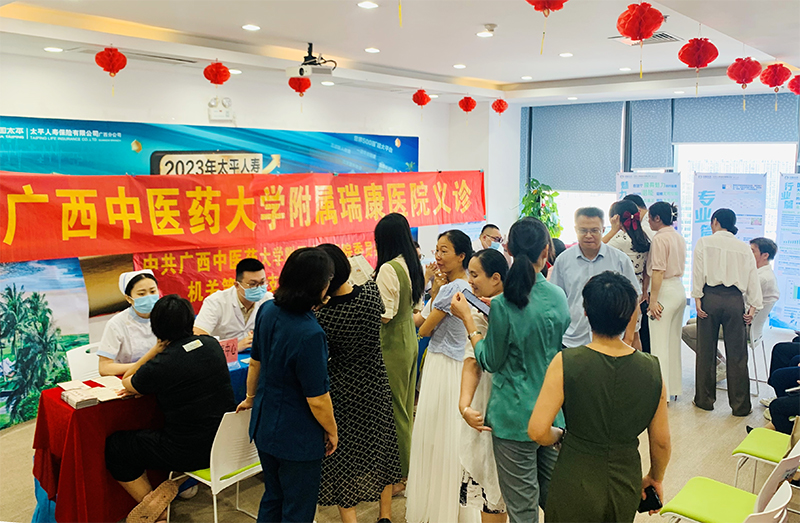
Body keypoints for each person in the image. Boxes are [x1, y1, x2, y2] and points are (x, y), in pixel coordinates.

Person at [451, 217, 571, 523]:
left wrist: (470, 324)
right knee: (557, 501)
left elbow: (489, 360)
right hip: (551, 414)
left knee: (522, 510)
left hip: (513, 417)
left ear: (508, 251)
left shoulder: (504, 305)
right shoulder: (558, 297)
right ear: (546, 251)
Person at [528, 271, 670, 522]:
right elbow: (661, 442)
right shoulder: (652, 369)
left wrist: (560, 436)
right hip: (625, 478)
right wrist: (655, 477)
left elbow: (538, 431)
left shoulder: (567, 362)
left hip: (575, 474)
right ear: (631, 315)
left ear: (585, 312)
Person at [105, 295, 235, 523]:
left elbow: (127, 380)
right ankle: (169, 494)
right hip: (226, 445)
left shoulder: (162, 364)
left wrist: (155, 349)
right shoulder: (211, 345)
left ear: (156, 328)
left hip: (187, 451)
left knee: (117, 446)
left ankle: (155, 509)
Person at [236, 248, 338, 523]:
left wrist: (250, 397)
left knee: (273, 496)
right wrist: (332, 430)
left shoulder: (268, 309)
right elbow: (317, 398)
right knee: (297, 510)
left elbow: (255, 362)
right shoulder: (310, 333)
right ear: (318, 285)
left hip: (265, 424)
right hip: (297, 436)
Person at [314, 244, 402, 523]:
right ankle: (385, 516)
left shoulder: (322, 316)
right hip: (376, 382)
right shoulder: (371, 294)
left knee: (343, 458)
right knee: (382, 450)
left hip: (342, 390)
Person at [405, 230, 474, 523]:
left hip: (442, 365)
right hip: (459, 365)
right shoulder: (468, 284)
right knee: (453, 436)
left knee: (436, 435)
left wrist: (433, 294)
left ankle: (437, 506)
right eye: (437, 250)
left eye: (445, 251)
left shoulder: (450, 289)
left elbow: (423, 329)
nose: (438, 257)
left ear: (461, 255)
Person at [692, 208, 762, 416]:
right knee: (738, 354)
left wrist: (697, 298)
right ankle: (741, 406)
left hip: (710, 298)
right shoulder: (744, 248)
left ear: (715, 221)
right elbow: (752, 278)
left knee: (705, 351)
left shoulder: (704, 242)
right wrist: (753, 307)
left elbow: (698, 272)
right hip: (734, 301)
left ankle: (704, 400)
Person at [373, 213, 425, 487]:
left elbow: (384, 315)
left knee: (395, 410)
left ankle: (400, 474)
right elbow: (417, 308)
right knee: (405, 406)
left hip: (392, 341)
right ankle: (407, 468)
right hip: (409, 337)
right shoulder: (413, 263)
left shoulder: (388, 269)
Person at [683, 236, 780, 382]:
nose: (748, 253)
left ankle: (719, 364)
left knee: (686, 331)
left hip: (742, 326)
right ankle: (721, 361)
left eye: (752, 251)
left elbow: (738, 304)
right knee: (692, 322)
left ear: (765, 255)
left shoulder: (761, 278)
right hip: (750, 325)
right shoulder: (764, 274)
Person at [457, 249, 508, 522]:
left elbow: (483, 360)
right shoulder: (478, 311)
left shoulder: (508, 310)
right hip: (486, 404)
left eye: (475, 275)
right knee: (491, 489)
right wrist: (464, 406)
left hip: (505, 404)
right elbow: (471, 362)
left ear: (496, 278)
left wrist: (468, 319)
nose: (471, 281)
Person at [550, 207, 641, 348]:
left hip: (612, 340)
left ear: (603, 230)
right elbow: (557, 301)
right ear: (575, 230)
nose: (588, 235)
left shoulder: (620, 260)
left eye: (594, 230)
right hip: (572, 340)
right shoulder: (563, 260)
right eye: (583, 230)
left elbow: (634, 299)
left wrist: (628, 339)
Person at [646, 202, 686, 399]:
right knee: (673, 342)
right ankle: (673, 389)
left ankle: (660, 393)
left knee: (659, 344)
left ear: (657, 218)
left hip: (664, 291)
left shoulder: (659, 238)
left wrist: (653, 301)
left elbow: (658, 271)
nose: (648, 221)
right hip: (678, 289)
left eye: (649, 217)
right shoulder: (678, 236)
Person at [193, 258, 272, 352]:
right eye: (252, 284)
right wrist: (235, 347)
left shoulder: (269, 300)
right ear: (237, 285)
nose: (258, 288)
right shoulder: (216, 302)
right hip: (222, 356)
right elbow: (197, 338)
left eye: (262, 283)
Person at [603, 199, 651, 350]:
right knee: (635, 334)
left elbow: (596, 249)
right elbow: (646, 269)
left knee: (616, 335)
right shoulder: (643, 237)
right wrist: (644, 290)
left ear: (616, 218)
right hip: (637, 289)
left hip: (620, 290)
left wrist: (613, 230)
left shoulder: (619, 239)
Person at [97, 269, 160, 376]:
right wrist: (142, 365)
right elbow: (104, 368)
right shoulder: (116, 324)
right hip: (128, 376)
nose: (149, 297)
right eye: (141, 294)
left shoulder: (166, 316)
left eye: (153, 291)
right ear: (129, 298)